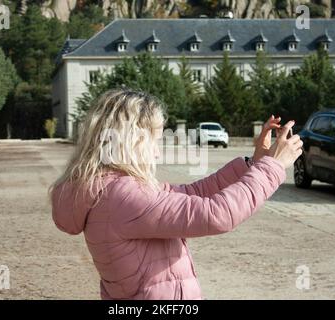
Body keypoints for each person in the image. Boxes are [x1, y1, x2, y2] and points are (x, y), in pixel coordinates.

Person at [50, 88, 303, 300]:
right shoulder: (121, 196)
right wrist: (273, 167)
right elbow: (216, 214)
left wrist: (254, 163)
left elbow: (193, 193)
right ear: (131, 140)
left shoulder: (111, 189)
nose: (158, 153)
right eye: (155, 141)